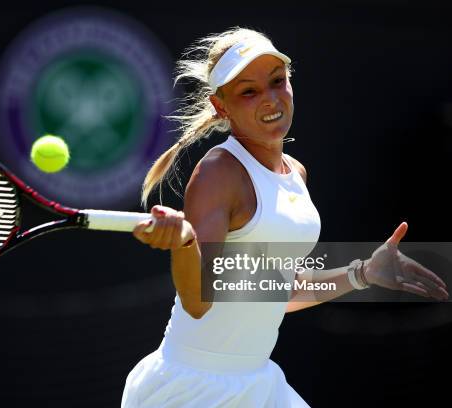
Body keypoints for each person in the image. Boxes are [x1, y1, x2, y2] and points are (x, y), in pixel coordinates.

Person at [121, 27, 449, 407]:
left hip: (257, 382)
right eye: (249, 91)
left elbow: (279, 289)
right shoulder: (219, 173)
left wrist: (362, 274)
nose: (271, 98)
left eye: (278, 81)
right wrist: (184, 243)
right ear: (221, 105)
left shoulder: (296, 173)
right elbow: (198, 300)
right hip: (194, 389)